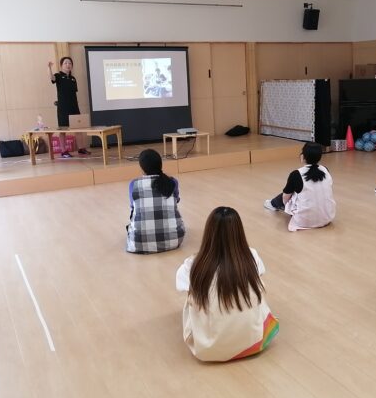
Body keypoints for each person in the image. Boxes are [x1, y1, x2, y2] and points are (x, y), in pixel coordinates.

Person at [175, 207, 279, 362]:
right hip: (254, 342)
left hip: (208, 349)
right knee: (254, 288)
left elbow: (180, 285)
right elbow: (260, 273)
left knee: (193, 295)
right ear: (239, 232)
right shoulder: (251, 256)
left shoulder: (193, 264)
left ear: (209, 233)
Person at [264, 142, 336, 231]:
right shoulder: (325, 169)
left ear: (303, 156)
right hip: (327, 218)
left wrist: (286, 206)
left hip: (304, 221)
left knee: (288, 194)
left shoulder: (296, 174)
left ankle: (272, 204)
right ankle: (272, 203)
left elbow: (285, 197)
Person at [126, 149, 185, 254]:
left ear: (142, 168)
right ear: (160, 164)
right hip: (175, 240)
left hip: (139, 243)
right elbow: (176, 202)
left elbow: (133, 208)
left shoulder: (134, 184)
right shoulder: (172, 182)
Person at [48, 56, 90, 157]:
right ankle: (64, 151)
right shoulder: (58, 76)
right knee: (63, 130)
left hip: (74, 107)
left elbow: (74, 93)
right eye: (66, 63)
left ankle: (81, 149)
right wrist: (49, 68)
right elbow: (52, 78)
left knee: (78, 128)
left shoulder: (73, 79)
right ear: (61, 65)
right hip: (63, 108)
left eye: (70, 63)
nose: (68, 65)